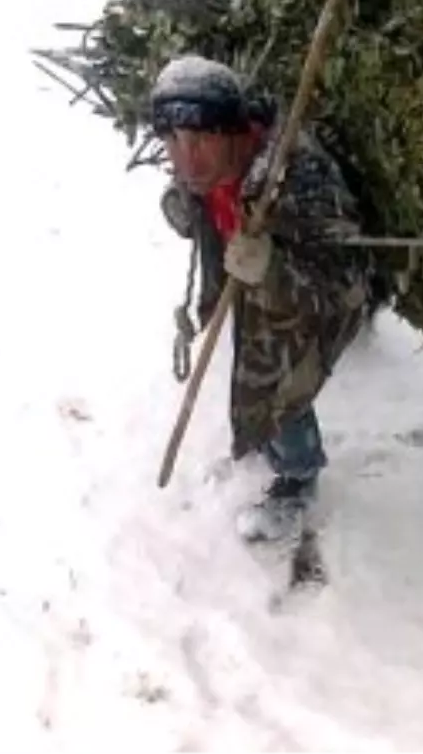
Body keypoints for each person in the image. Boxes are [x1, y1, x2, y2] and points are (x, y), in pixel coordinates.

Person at [150, 53, 372, 540]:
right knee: (251, 366)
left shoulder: (293, 176)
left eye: (201, 139)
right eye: (173, 141)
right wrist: (188, 209)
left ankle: (298, 475)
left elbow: (347, 284)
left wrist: (270, 268)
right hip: (250, 282)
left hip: (302, 300)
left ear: (233, 131)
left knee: (277, 383)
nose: (187, 159)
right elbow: (200, 200)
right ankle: (265, 441)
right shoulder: (207, 171)